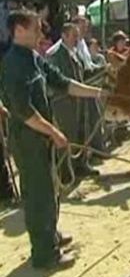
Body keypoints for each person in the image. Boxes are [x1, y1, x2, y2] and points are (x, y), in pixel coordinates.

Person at [0, 9, 106, 269]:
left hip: (41, 138)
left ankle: (51, 236)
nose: (42, 33)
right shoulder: (13, 64)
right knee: (39, 196)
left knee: (51, 189)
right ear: (20, 30)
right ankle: (45, 255)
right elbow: (24, 112)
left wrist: (98, 93)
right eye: (36, 28)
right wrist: (54, 132)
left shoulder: (33, 58)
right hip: (28, 140)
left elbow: (62, 82)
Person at [47, 23, 100, 178]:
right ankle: (65, 172)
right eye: (74, 36)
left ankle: (81, 165)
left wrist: (104, 69)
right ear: (64, 36)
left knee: (82, 132)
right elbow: (56, 82)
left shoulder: (74, 53)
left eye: (78, 36)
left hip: (79, 101)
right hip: (64, 103)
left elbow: (84, 74)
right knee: (67, 136)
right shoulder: (55, 55)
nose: (77, 39)